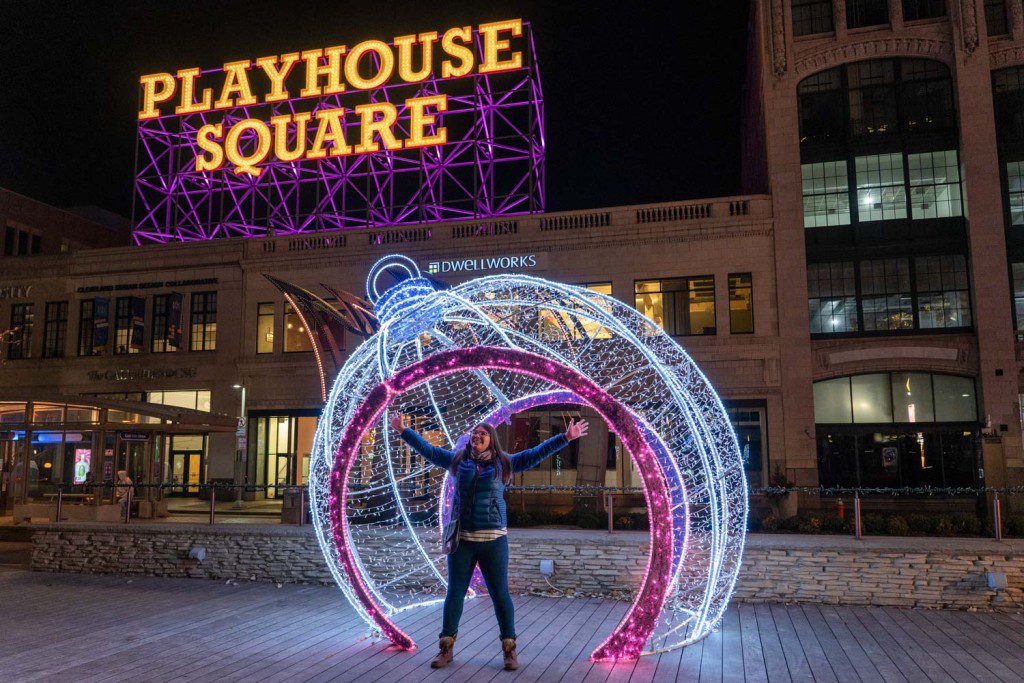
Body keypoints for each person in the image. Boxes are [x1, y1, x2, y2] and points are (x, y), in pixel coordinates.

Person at [389, 413, 589, 671]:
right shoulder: (458, 460)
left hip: (493, 541)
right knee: (455, 594)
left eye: (483, 433)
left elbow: (534, 454)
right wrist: (404, 430)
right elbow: (428, 450)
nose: (477, 435)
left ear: (491, 440)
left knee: (500, 595)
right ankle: (445, 648)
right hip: (463, 541)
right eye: (475, 433)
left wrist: (565, 438)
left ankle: (509, 649)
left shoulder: (503, 463)